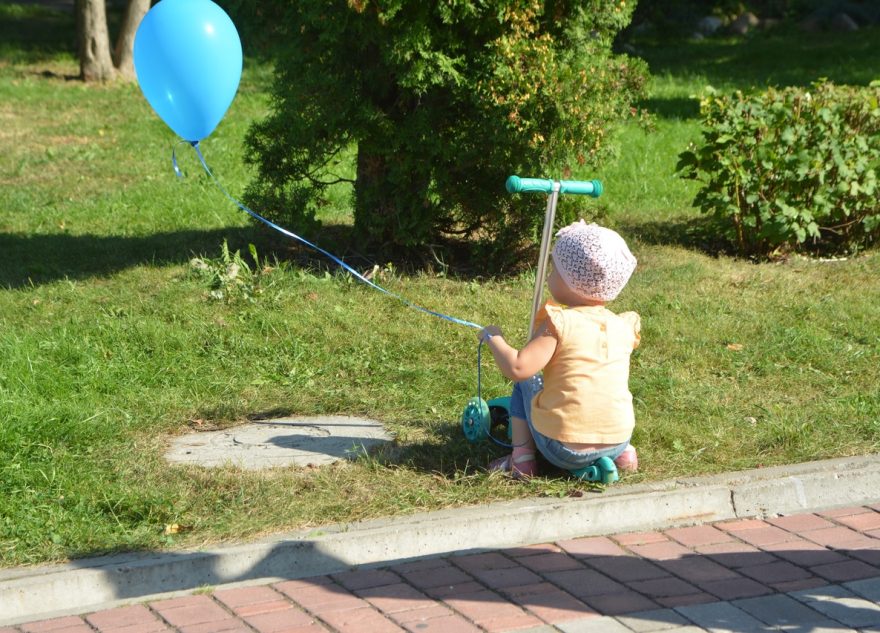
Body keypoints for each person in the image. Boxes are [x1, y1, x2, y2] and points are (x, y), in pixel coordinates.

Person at [477, 220, 640, 478]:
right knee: (603, 380)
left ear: (571, 281)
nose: (550, 275)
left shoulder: (560, 323)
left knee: (527, 381)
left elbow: (518, 367)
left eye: (554, 270)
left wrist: (493, 337)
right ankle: (623, 454)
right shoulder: (624, 325)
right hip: (618, 437)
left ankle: (522, 458)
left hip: (563, 448)